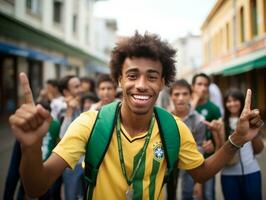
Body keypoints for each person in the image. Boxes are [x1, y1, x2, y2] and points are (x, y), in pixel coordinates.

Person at [9, 32, 263, 200]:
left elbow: (202, 172)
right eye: (132, 75)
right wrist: (30, 147)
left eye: (152, 76)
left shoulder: (173, 128)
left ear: (163, 82)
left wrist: (237, 138)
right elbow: (35, 187)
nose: (141, 84)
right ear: (119, 79)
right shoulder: (90, 123)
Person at [220, 89, 264, 200]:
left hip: (251, 172)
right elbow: (219, 151)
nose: (232, 104)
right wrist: (216, 133)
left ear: (242, 101)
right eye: (228, 101)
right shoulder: (220, 123)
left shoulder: (252, 121)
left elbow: (259, 149)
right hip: (228, 175)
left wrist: (253, 131)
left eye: (235, 100)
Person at [168, 79, 206, 200]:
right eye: (176, 94)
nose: (180, 98)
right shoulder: (165, 118)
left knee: (187, 194)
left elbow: (200, 147)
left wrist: (199, 182)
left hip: (190, 164)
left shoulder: (199, 120)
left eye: (185, 94)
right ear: (171, 97)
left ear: (191, 96)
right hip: (169, 165)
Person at [191, 73, 222, 200]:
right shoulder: (185, 106)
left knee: (209, 195)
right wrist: (194, 101)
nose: (203, 88)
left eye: (206, 85)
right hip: (189, 160)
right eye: (199, 84)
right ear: (192, 87)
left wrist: (214, 144)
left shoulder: (213, 108)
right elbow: (186, 119)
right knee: (191, 195)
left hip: (208, 160)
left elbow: (220, 139)